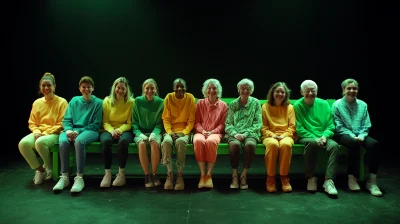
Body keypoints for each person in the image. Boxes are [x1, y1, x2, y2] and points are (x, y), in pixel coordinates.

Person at [332, 78, 382, 196]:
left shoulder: (363, 105)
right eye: (349, 88)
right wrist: (352, 136)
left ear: (357, 90)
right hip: (343, 134)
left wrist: (361, 135)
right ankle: (351, 177)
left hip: (360, 134)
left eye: (354, 88)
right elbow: (338, 125)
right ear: (343, 90)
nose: (352, 90)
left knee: (374, 144)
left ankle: (372, 181)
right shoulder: (337, 105)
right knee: (353, 144)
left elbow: (367, 124)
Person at [53, 76, 103, 193]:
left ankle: (79, 177)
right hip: (72, 130)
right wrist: (69, 130)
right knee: (63, 141)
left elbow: (96, 124)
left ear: (93, 88)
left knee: (79, 141)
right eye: (83, 87)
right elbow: (66, 119)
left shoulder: (98, 103)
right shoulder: (74, 100)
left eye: (89, 87)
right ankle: (64, 177)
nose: (86, 89)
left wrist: (78, 131)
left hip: (89, 131)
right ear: (79, 88)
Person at [18, 72, 68, 185]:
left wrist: (46, 133)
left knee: (40, 142)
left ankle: (49, 167)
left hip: (55, 133)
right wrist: (36, 132)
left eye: (49, 85)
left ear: (54, 86)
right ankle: (41, 170)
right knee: (23, 144)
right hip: (39, 132)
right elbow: (32, 122)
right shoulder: (37, 103)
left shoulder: (62, 102)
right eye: (43, 85)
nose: (46, 88)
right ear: (40, 87)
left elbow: (62, 123)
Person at [293, 80, 339, 196]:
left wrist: (324, 136)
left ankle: (328, 180)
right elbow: (299, 128)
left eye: (313, 90)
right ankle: (311, 177)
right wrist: (315, 137)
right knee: (311, 143)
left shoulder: (324, 104)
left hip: (323, 136)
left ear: (317, 92)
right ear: (301, 92)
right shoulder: (297, 106)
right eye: (307, 91)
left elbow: (330, 125)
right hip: (306, 136)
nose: (310, 93)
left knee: (334, 146)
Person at [225, 78, 262, 190]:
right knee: (235, 145)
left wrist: (246, 134)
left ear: (252, 90)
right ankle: (235, 174)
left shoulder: (255, 103)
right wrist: (235, 133)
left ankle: (244, 174)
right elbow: (228, 123)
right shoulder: (233, 104)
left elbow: (258, 123)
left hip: (251, 132)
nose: (245, 90)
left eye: (248, 88)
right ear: (238, 90)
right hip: (234, 133)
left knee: (250, 145)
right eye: (242, 88)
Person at [261, 82, 296, 193]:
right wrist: (273, 135)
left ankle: (284, 177)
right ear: (272, 93)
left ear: (285, 94)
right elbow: (263, 127)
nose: (280, 94)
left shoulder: (289, 107)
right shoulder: (265, 107)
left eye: (282, 92)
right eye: (277, 91)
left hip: (286, 135)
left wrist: (283, 135)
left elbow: (292, 127)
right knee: (272, 144)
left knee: (285, 144)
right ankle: (270, 178)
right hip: (269, 135)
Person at [161, 78, 196, 190]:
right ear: (173, 88)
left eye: (182, 86)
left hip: (184, 131)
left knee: (181, 142)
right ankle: (170, 174)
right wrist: (170, 132)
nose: (180, 88)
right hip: (170, 130)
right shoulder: (169, 97)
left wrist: (183, 133)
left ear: (186, 88)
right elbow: (166, 119)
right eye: (177, 86)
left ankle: (179, 174)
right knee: (166, 141)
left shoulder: (190, 98)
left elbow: (191, 121)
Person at [100, 77, 134, 188]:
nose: (120, 90)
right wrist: (112, 131)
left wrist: (119, 130)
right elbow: (105, 121)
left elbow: (129, 123)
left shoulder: (131, 102)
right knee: (105, 141)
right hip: (109, 129)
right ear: (114, 88)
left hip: (124, 129)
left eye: (123, 88)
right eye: (118, 87)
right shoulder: (107, 100)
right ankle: (107, 174)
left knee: (123, 142)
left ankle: (121, 173)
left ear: (126, 90)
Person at [193, 78, 228, 189]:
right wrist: (203, 131)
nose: (212, 90)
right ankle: (202, 175)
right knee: (198, 140)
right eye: (209, 88)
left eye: (214, 88)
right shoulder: (200, 103)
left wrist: (212, 132)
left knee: (211, 141)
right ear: (205, 90)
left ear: (218, 90)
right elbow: (197, 122)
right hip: (201, 131)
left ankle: (209, 175)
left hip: (215, 133)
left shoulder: (223, 106)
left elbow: (222, 125)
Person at [132, 78, 164, 188]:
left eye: (152, 88)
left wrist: (154, 134)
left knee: (154, 143)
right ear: (143, 89)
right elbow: (134, 123)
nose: (149, 90)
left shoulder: (160, 102)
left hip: (155, 132)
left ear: (156, 90)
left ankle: (154, 174)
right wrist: (139, 134)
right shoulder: (138, 101)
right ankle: (147, 175)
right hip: (140, 133)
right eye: (147, 88)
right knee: (141, 144)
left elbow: (160, 123)